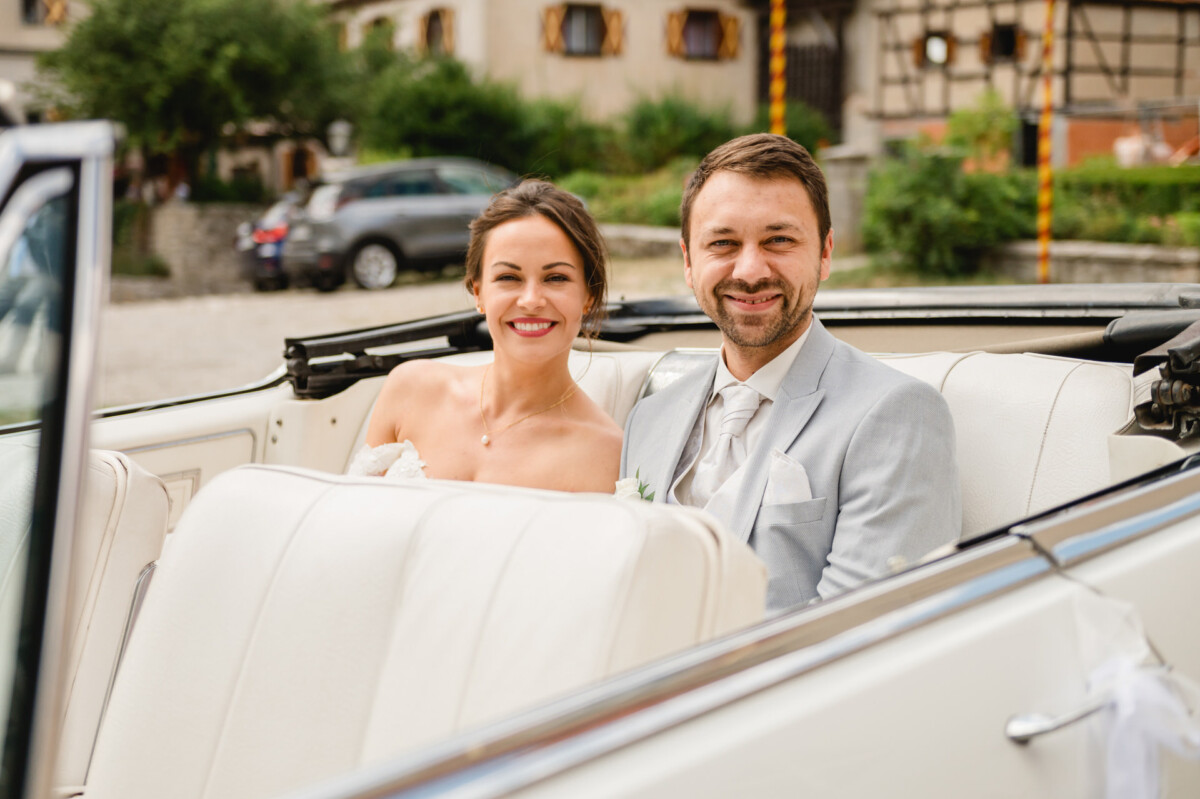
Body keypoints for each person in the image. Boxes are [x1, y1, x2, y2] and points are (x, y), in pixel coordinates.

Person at [620, 133, 961, 611]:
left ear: (825, 253)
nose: (750, 271)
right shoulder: (648, 417)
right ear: (688, 262)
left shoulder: (898, 413)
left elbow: (862, 627)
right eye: (723, 243)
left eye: (779, 240)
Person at [351, 179, 622, 493]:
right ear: (478, 293)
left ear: (588, 296)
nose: (531, 300)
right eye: (508, 277)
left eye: (556, 278)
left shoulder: (607, 454)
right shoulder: (409, 389)